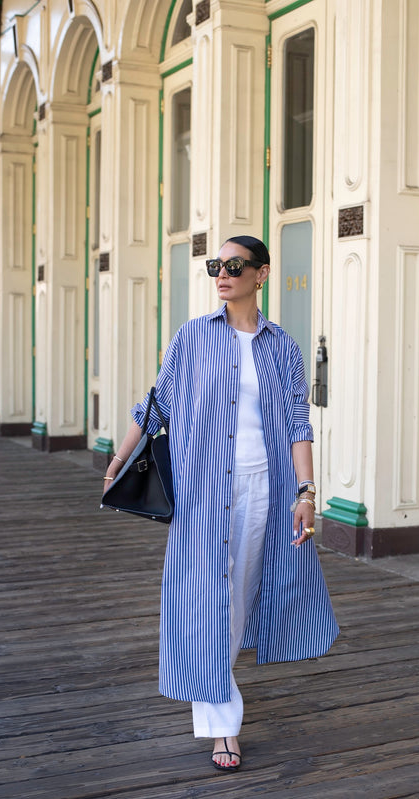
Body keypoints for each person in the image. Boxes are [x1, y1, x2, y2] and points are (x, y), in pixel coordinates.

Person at [102, 235, 339, 772]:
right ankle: (222, 727)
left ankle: (217, 703)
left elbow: (299, 425)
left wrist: (305, 493)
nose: (222, 274)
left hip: (264, 488)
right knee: (205, 600)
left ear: (262, 273)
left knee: (237, 600)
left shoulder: (284, 346)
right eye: (216, 265)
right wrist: (120, 458)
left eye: (234, 265)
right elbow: (155, 405)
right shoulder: (191, 338)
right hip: (202, 493)